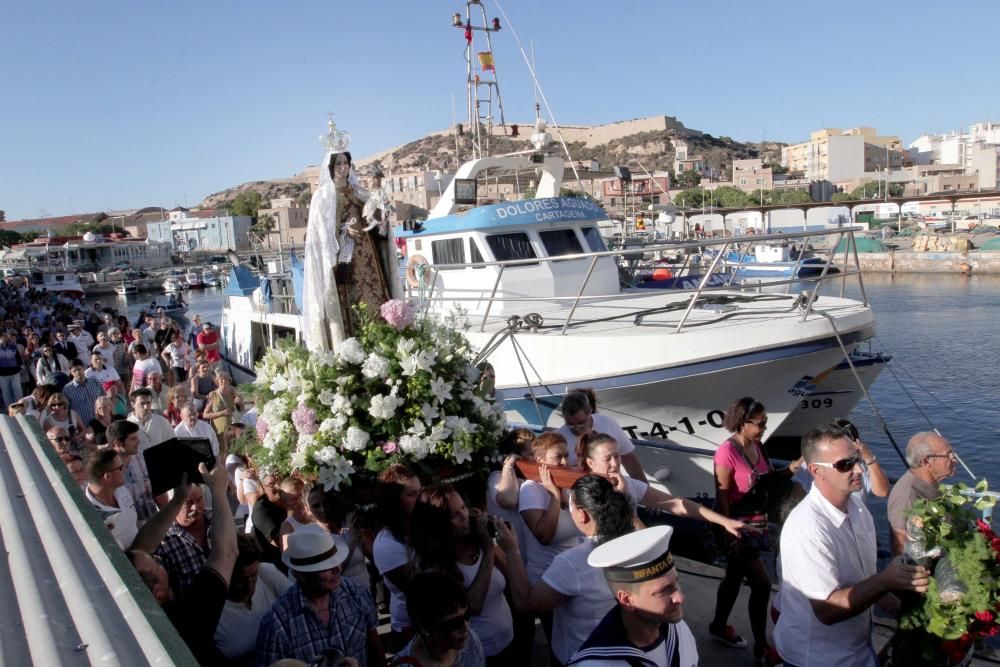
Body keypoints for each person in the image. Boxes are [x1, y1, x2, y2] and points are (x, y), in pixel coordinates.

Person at [774, 424, 930, 667]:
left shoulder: (858, 511)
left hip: (856, 651)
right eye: (844, 465)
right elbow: (826, 610)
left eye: (857, 459)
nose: (858, 469)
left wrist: (905, 613)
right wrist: (886, 580)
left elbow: (863, 580)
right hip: (817, 658)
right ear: (816, 471)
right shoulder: (808, 528)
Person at [127, 437, 238, 665]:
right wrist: (218, 491)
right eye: (157, 564)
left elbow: (141, 547)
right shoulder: (187, 618)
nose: (157, 558)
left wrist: (178, 499)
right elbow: (226, 553)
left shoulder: (134, 616)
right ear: (159, 593)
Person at [502, 474, 635, 665]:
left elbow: (526, 604)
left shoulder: (573, 562)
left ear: (582, 515)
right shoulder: (632, 542)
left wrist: (511, 550)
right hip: (623, 652)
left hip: (579, 656)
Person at [709, 397, 799, 664]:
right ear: (742, 422)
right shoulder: (727, 452)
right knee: (760, 584)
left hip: (756, 523)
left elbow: (768, 479)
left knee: (734, 578)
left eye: (765, 423)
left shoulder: (758, 446)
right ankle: (761, 646)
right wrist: (728, 531)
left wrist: (791, 469)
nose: (763, 428)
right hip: (736, 524)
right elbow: (722, 495)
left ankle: (718, 625)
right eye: (759, 423)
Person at [302, 128, 400, 351]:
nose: (343, 167)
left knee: (375, 301)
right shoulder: (323, 198)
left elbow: (375, 223)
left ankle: (383, 345)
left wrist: (380, 218)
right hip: (345, 264)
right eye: (338, 164)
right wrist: (344, 232)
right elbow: (320, 236)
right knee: (351, 307)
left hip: (369, 262)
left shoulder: (360, 192)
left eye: (346, 162)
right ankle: (350, 350)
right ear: (330, 167)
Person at [409, 485, 513, 665]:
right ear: (437, 523)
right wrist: (488, 551)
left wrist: (492, 541)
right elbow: (473, 606)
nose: (464, 516)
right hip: (476, 651)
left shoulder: (478, 539)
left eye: (464, 508)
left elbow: (510, 574)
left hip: (509, 639)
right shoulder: (432, 563)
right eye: (454, 515)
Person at [566, 525, 698, 667]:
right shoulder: (594, 664)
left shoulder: (679, 629)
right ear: (627, 600)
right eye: (664, 591)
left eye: (676, 582)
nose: (680, 597)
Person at [255, 530, 384, 667]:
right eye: (326, 567)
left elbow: (375, 646)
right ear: (301, 575)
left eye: (336, 561)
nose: (338, 569)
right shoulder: (277, 624)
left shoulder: (356, 593)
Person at [579, 432, 745, 537]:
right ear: (590, 462)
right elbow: (606, 534)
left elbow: (678, 504)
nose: (615, 464)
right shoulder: (584, 494)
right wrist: (622, 499)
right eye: (607, 459)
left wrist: (724, 521)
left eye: (617, 456)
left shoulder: (629, 485)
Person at [214, 534, 292, 664]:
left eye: (253, 576)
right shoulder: (213, 609)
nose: (250, 584)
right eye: (241, 579)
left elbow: (297, 603)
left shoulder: (266, 573)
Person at [518, 432, 584, 584]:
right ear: (540, 461)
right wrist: (555, 496)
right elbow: (544, 537)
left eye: (566, 456)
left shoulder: (567, 485)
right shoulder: (530, 489)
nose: (564, 462)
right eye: (558, 457)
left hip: (576, 572)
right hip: (548, 578)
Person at [373, 464, 422, 648]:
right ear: (394, 501)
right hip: (411, 629)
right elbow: (419, 588)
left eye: (420, 492)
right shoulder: (385, 544)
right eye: (411, 495)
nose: (420, 499)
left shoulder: (422, 526)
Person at [392, 571, 486, 667]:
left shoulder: (472, 641)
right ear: (424, 627)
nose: (465, 628)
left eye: (467, 615)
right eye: (454, 623)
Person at [886, 431, 956, 556]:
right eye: (948, 455)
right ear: (926, 461)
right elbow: (901, 548)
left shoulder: (929, 484)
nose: (954, 459)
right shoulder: (907, 497)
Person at [556, 390, 647, 482]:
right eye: (570, 424)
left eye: (581, 422)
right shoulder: (558, 439)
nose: (576, 428)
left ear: (589, 412)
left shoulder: (607, 422)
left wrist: (645, 487)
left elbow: (628, 459)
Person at [155, 483, 213, 596]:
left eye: (199, 500)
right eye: (188, 503)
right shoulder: (163, 542)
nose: (195, 507)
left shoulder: (218, 520)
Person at [106, 419, 162, 521]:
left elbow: (157, 490)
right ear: (117, 443)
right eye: (133, 439)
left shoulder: (141, 456)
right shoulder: (107, 471)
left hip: (153, 521)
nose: (138, 442)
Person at [84, 448, 138, 549]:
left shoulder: (122, 490)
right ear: (108, 476)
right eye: (121, 468)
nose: (125, 469)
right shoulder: (88, 512)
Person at [251, 471, 287, 570]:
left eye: (281, 481)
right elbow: (280, 543)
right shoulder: (261, 509)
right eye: (272, 484)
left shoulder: (287, 501)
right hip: (272, 565)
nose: (278, 486)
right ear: (262, 487)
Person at [278, 476, 316, 551]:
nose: (300, 501)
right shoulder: (288, 527)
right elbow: (288, 555)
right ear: (286, 504)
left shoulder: (318, 513)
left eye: (301, 495)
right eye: (294, 499)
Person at [62, 359, 105, 426]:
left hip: (100, 422)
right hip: (83, 425)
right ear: (71, 372)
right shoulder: (67, 389)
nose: (78, 372)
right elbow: (67, 409)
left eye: (79, 369)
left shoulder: (95, 382)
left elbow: (104, 399)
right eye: (74, 371)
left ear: (84, 368)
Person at [203, 371, 242, 437]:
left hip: (232, 430)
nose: (224, 381)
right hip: (219, 431)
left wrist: (240, 402)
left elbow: (241, 409)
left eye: (226, 379)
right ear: (217, 382)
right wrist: (222, 413)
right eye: (221, 379)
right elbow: (205, 415)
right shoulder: (213, 395)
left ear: (229, 381)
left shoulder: (233, 393)